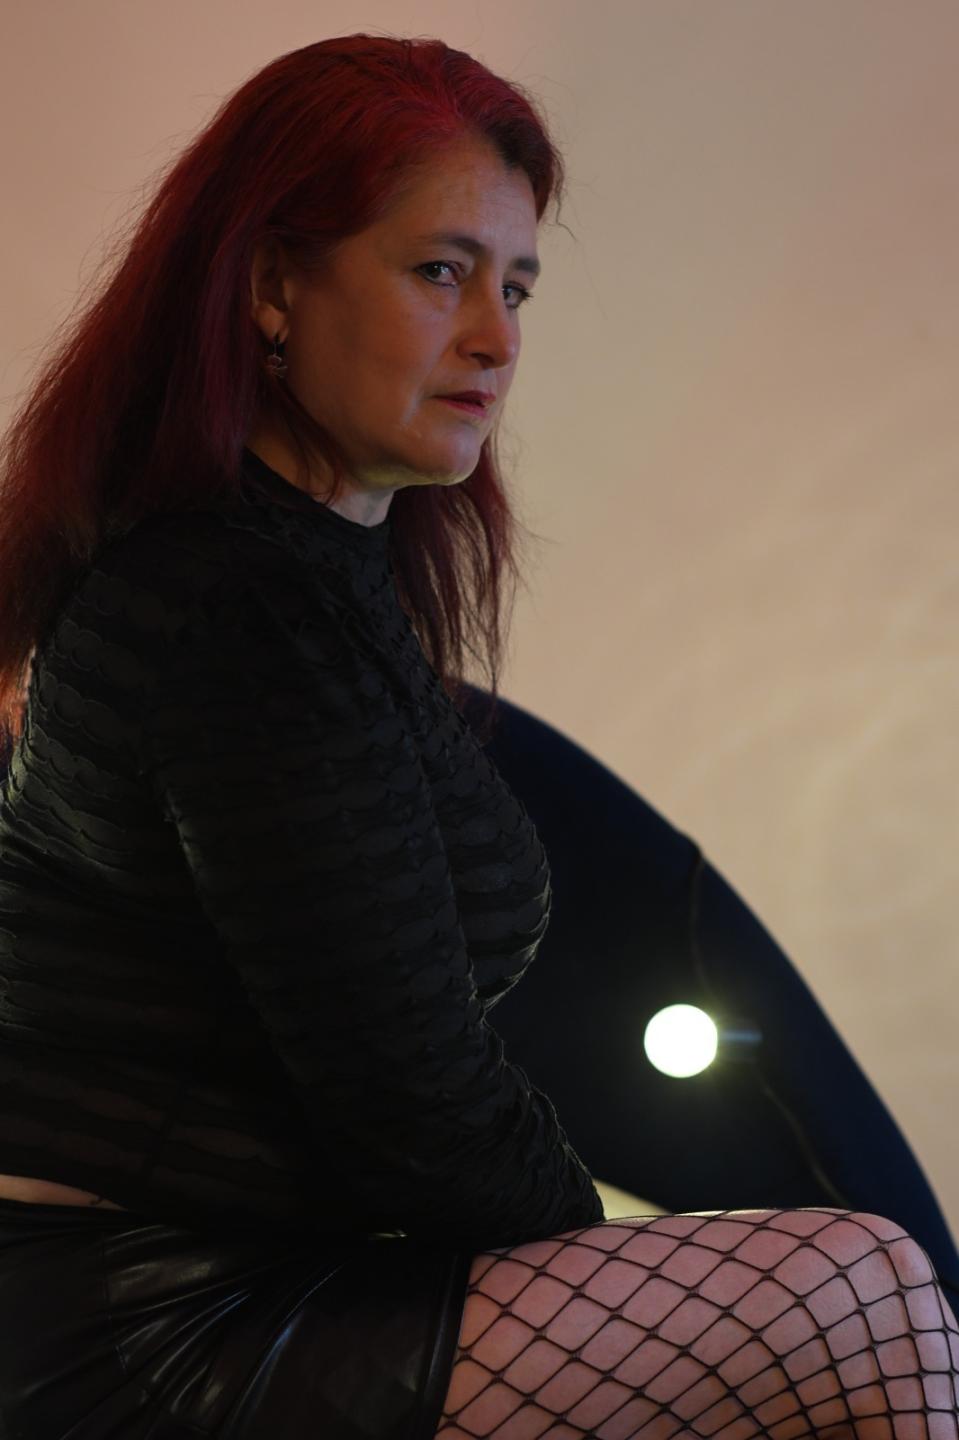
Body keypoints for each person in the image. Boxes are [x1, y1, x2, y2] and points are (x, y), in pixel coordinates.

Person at [0, 31, 955, 1440]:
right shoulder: (233, 607)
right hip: (137, 1323)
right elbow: (408, 1096)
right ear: (272, 285)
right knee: (857, 1289)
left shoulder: (319, 583)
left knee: (844, 1299)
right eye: (441, 272)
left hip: (264, 1281)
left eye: (515, 286)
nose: (498, 339)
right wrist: (615, 1277)